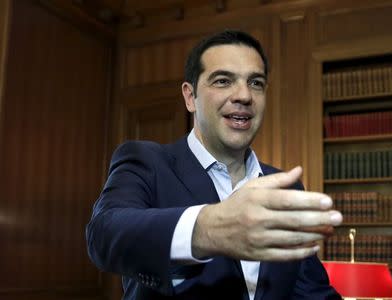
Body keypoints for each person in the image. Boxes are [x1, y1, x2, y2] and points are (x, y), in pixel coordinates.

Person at [86, 29, 343, 300]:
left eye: (256, 83)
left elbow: (313, 294)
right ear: (189, 96)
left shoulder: (287, 189)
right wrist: (209, 229)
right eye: (222, 81)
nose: (244, 95)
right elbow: (104, 234)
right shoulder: (146, 161)